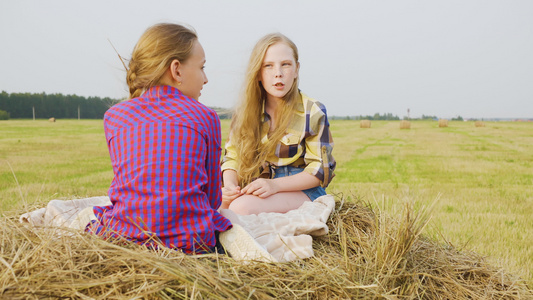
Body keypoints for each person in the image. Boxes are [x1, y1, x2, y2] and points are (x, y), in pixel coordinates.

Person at [86, 23, 232, 254]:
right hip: (191, 244)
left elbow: (127, 187)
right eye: (202, 67)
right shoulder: (206, 117)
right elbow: (213, 199)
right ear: (176, 70)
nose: (206, 79)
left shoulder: (114, 116)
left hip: (124, 239)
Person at [220, 33, 336, 215]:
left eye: (286, 64)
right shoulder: (245, 112)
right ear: (258, 73)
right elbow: (231, 157)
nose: (278, 73)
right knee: (218, 209)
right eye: (268, 66)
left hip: (300, 189)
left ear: (297, 69)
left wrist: (274, 184)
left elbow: (319, 171)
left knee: (240, 208)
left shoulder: (312, 110)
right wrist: (230, 187)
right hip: (258, 185)